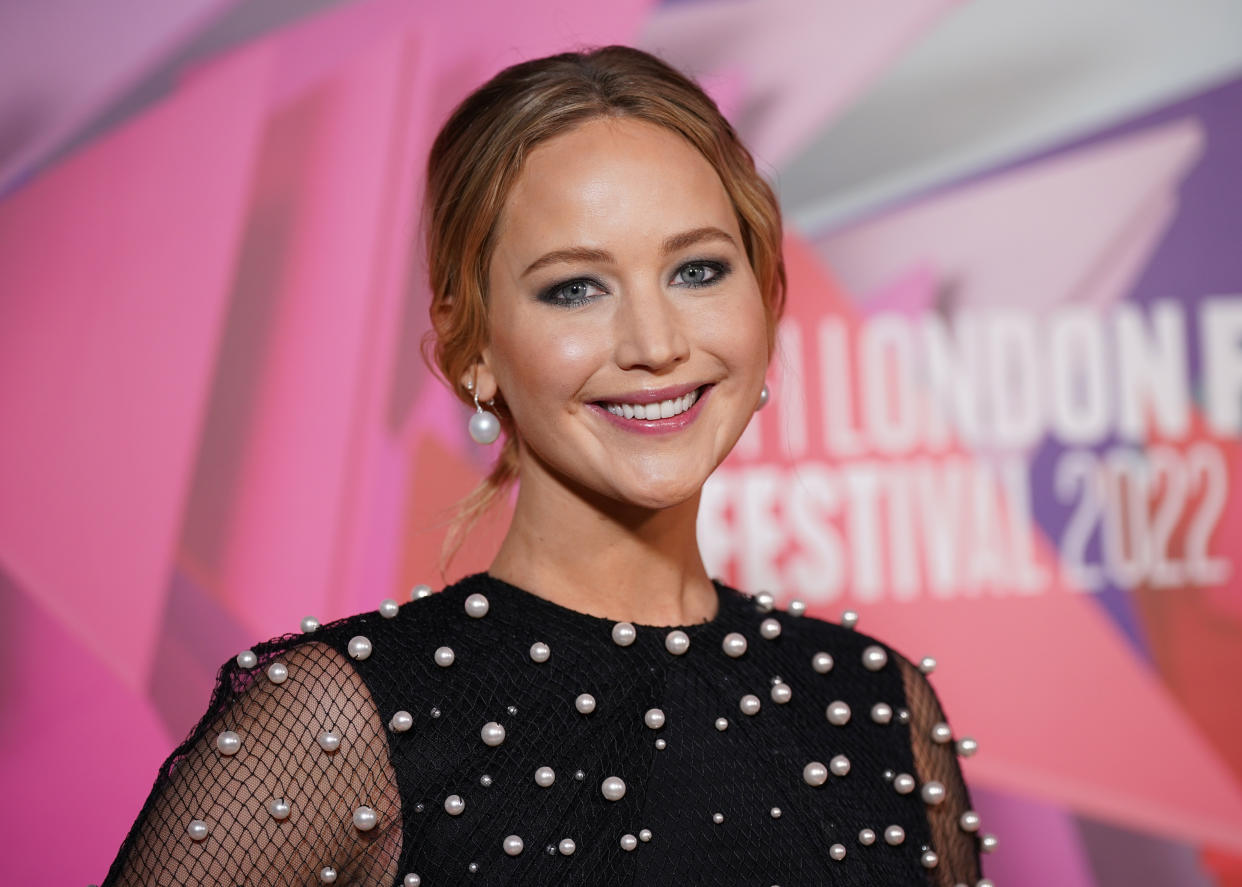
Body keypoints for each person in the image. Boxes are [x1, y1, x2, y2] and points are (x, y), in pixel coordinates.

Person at [102, 45, 988, 886]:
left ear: (765, 296)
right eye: (575, 287)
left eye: (698, 270)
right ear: (473, 348)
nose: (655, 344)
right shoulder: (341, 720)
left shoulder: (874, 704)